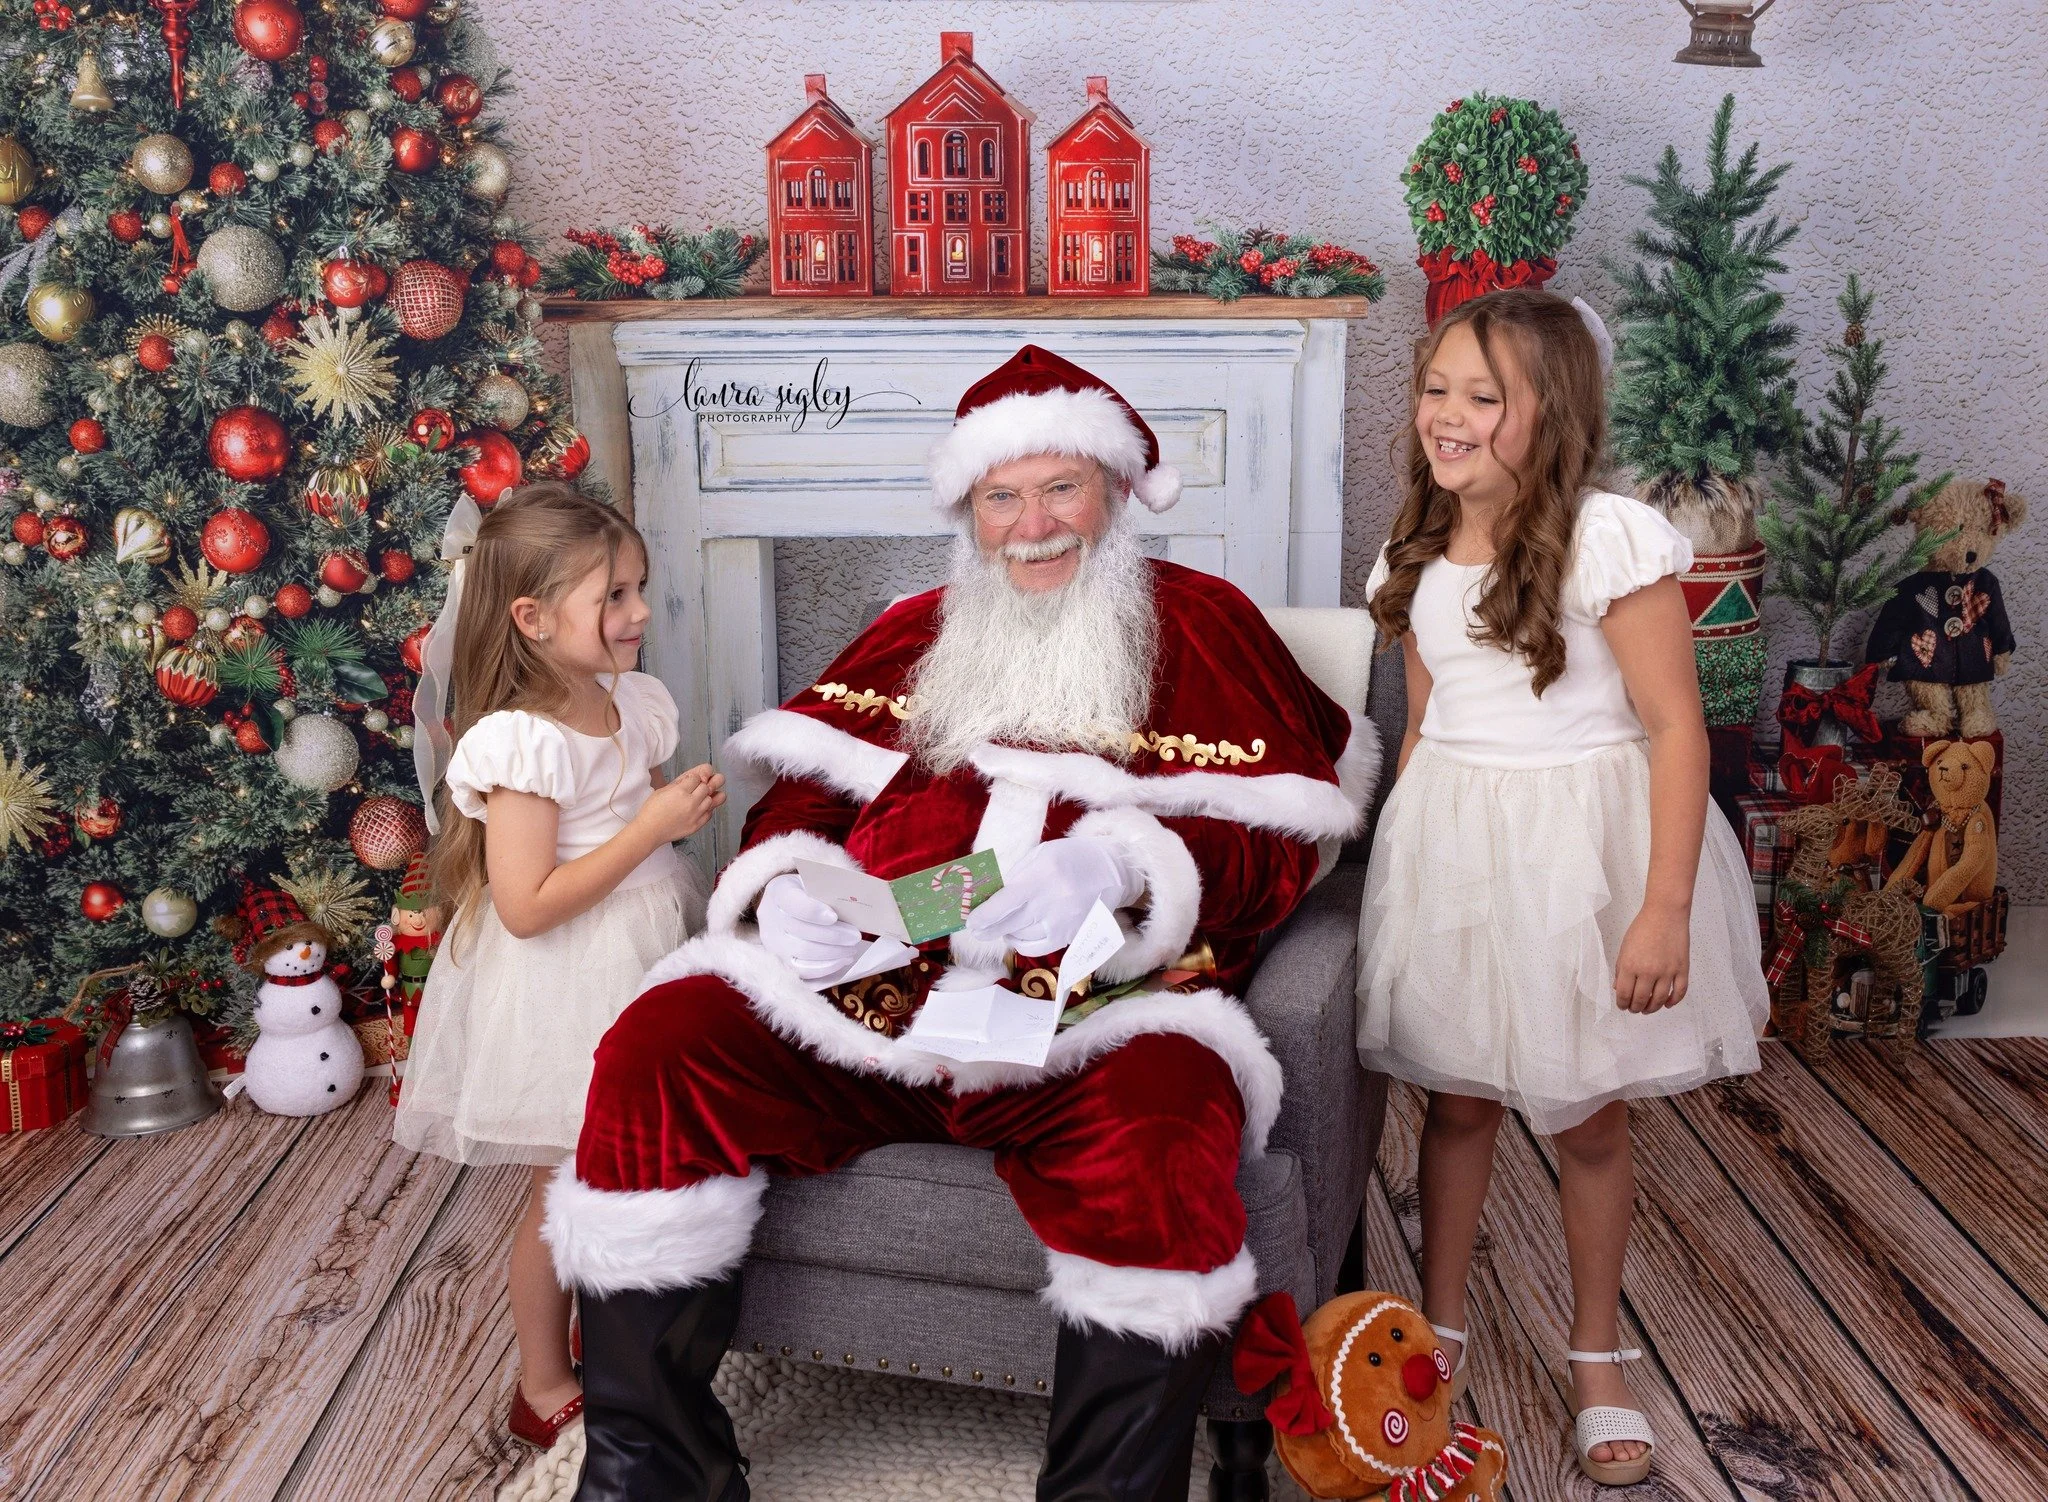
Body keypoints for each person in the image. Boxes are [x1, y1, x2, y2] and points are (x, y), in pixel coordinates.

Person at [541, 346, 1379, 1502]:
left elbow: (1278, 846)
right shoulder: (919, 628)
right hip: (876, 989)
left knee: (1165, 1125)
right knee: (661, 1043)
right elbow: (802, 791)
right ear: (967, 510)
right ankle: (652, 1474)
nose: (1030, 524)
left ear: (1118, 490)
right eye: (1000, 495)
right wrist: (789, 883)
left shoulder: (1210, 625)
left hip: (1102, 1010)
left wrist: (1121, 869)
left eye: (1059, 488)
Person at [1356, 290, 1768, 1487]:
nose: (1449, 415)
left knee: (1584, 1110)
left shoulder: (1607, 539)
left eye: (1484, 397)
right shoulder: (1414, 551)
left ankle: (1596, 1353)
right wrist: (1398, 870)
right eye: (1436, 388)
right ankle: (1436, 1333)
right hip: (1459, 862)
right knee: (1456, 1102)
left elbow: (1675, 727)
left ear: (1554, 413)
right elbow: (1428, 725)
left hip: (1585, 864)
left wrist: (1659, 905)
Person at [395, 482, 724, 1452]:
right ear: (532, 620)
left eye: (637, 589)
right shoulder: (523, 742)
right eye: (610, 598)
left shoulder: (629, 700)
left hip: (646, 952)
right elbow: (528, 905)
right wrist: (655, 826)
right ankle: (541, 1378)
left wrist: (666, 819)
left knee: (633, 1170)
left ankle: (624, 1329)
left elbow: (637, 810)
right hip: (569, 980)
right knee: (569, 1182)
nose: (634, 615)